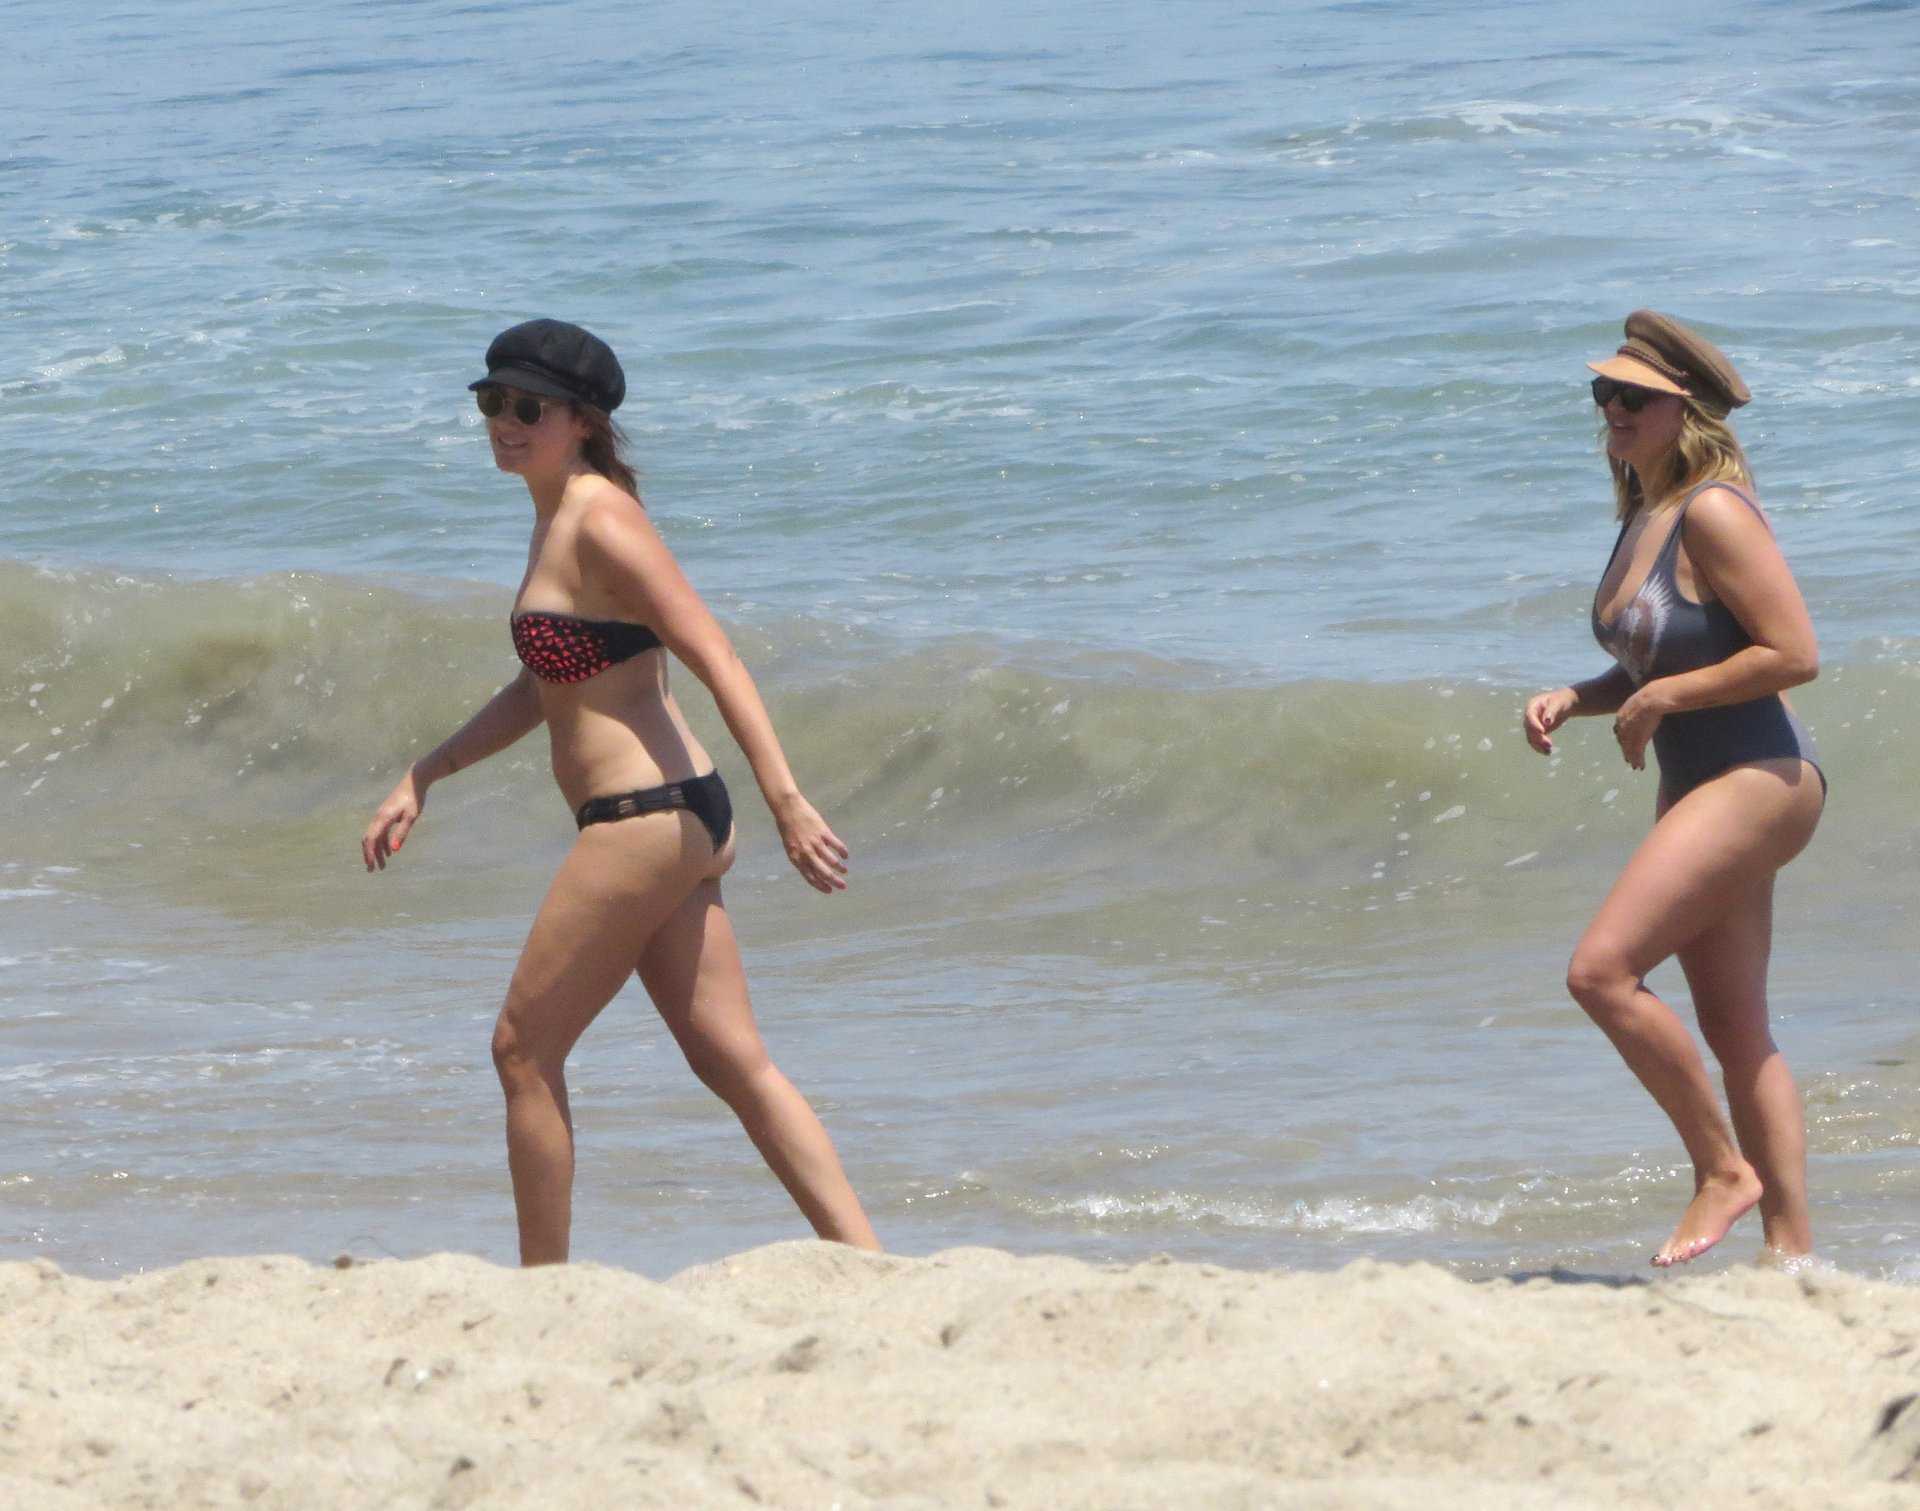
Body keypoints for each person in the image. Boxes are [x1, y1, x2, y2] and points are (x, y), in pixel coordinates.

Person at [361, 318, 879, 1265]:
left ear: (584, 422)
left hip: (645, 818)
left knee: (521, 1048)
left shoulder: (602, 518)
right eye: (492, 401)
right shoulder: (555, 515)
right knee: (733, 1060)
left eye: (529, 407)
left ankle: (546, 1291)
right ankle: (868, 1263)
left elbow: (714, 653)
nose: (505, 422)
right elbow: (543, 688)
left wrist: (787, 799)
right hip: (674, 815)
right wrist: (424, 773)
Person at [1523, 310, 1825, 1268]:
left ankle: (1722, 1170)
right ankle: (1792, 1260)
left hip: (1759, 773)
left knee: (1600, 972)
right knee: (1738, 1029)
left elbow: (1794, 653)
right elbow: (1663, 657)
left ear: (1683, 407)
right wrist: (1580, 696)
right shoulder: (1643, 513)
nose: (1612, 407)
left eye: (1634, 396)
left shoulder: (1713, 510)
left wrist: (1664, 696)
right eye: (1603, 391)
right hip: (1701, 779)